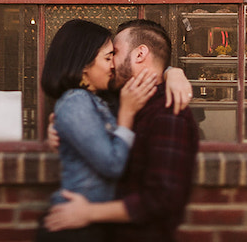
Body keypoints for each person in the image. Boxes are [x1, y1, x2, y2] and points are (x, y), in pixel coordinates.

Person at [44, 19, 200, 242]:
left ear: (139, 54)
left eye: (113, 54)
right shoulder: (123, 100)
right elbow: (80, 112)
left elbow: (162, 199)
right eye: (107, 57)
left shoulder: (168, 113)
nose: (112, 64)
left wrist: (89, 212)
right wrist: (60, 126)